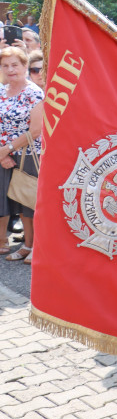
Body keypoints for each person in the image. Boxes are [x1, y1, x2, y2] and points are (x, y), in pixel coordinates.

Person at [0, 47, 43, 263]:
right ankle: (27, 245)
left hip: (30, 154)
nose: (10, 69)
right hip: (7, 155)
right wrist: (2, 155)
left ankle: (37, 247)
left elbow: (36, 130)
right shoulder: (1, 91)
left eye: (15, 64)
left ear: (25, 66)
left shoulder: (33, 93)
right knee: (19, 204)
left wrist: (6, 149)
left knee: (32, 203)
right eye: (6, 65)